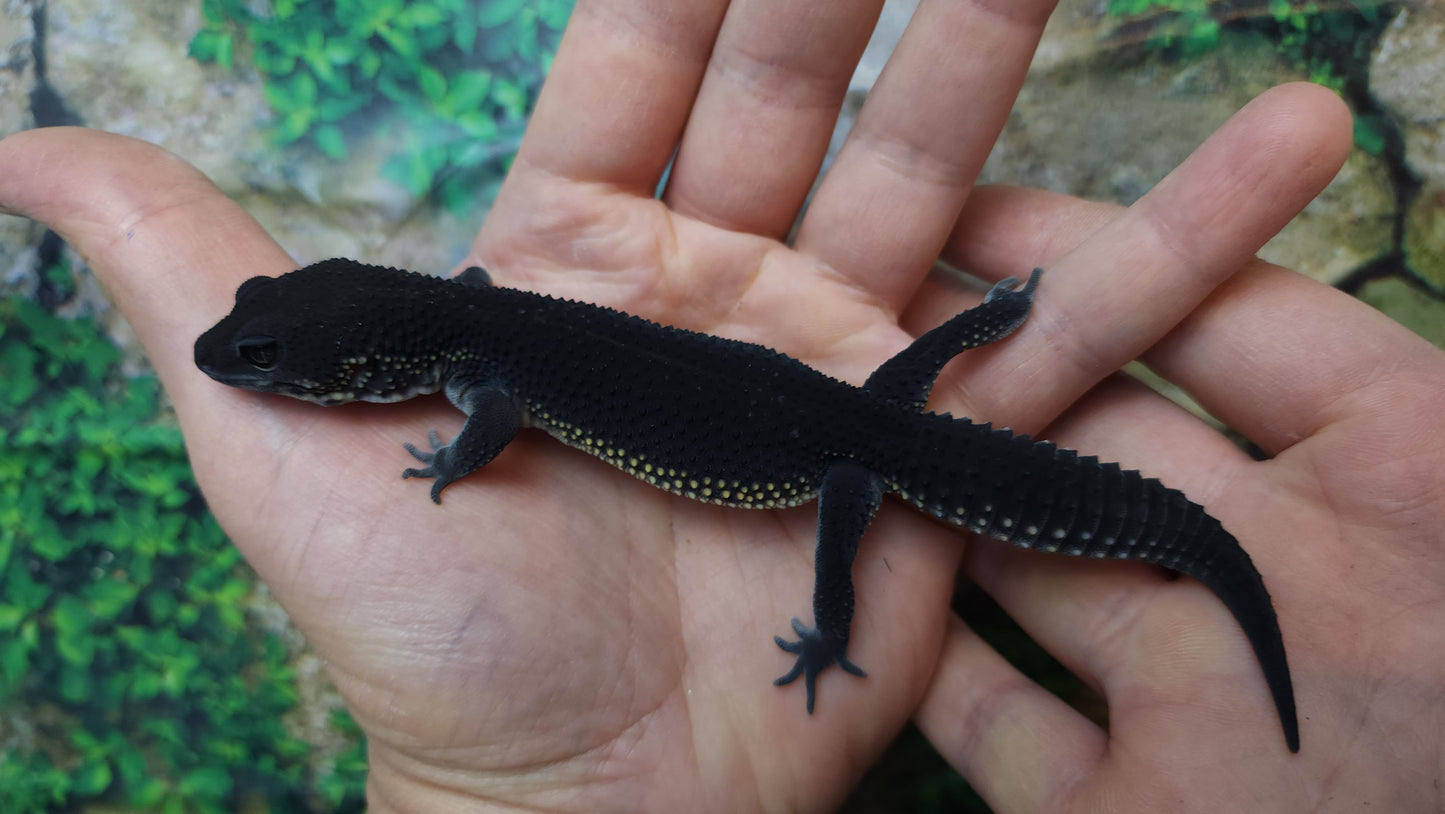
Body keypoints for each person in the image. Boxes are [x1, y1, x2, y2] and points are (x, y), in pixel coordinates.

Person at [3, 1, 1442, 811]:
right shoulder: (477, 317)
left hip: (840, 454)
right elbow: (486, 346)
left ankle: (855, 595)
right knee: (891, 428)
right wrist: (988, 322)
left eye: (275, 362)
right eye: (269, 359)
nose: (250, 366)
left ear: (363, 369)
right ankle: (1002, 379)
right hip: (855, 421)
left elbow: (497, 416)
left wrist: (463, 458)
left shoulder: (479, 366)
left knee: (872, 472)